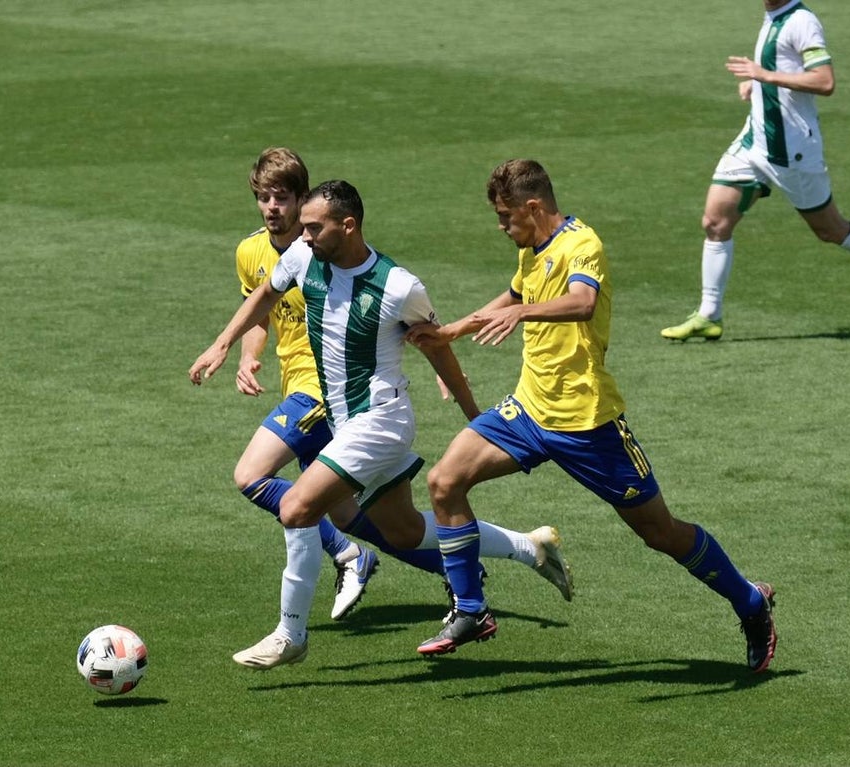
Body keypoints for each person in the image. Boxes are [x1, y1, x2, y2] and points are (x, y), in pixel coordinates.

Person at [408, 159, 777, 672]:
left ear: (533, 207)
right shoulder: (533, 250)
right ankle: (471, 610)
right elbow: (515, 295)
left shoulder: (583, 245)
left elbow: (581, 302)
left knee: (660, 533)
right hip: (529, 410)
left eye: (505, 215)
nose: (500, 226)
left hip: (588, 424)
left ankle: (750, 602)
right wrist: (453, 333)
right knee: (445, 482)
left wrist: (519, 314)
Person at [191, 179, 571, 669]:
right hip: (347, 420)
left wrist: (472, 413)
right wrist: (224, 343)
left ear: (347, 226)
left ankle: (291, 634)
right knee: (404, 532)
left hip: (381, 421)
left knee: (298, 509)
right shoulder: (304, 259)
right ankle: (530, 546)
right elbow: (266, 292)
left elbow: (436, 344)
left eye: (313, 227)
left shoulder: (398, 286)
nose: (302, 236)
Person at [232, 147, 457, 621]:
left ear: (303, 201)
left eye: (282, 198)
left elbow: (406, 316)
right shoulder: (252, 252)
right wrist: (245, 357)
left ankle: (338, 569)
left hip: (325, 391)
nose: (272, 207)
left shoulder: (327, 250)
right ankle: (461, 568)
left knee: (254, 478)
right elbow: (262, 311)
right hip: (309, 391)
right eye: (263, 198)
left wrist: (445, 372)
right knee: (363, 518)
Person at [661, 0, 850, 341]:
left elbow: (824, 81)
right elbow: (781, 66)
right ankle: (709, 314)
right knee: (715, 222)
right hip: (754, 142)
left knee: (830, 229)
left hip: (793, 151)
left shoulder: (801, 21)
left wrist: (764, 75)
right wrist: (758, 85)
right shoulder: (773, 15)